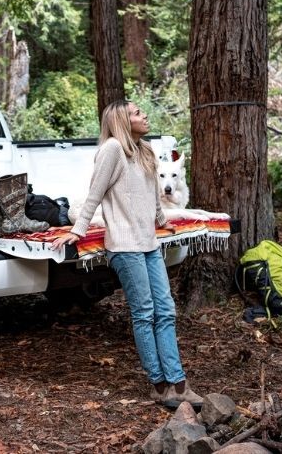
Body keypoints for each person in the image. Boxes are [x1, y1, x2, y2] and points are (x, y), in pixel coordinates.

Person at [50, 100, 202, 407]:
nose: (143, 115)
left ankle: (179, 384)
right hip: (124, 245)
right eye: (136, 113)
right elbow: (94, 193)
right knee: (145, 313)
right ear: (121, 120)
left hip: (148, 243)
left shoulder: (144, 150)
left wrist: (161, 221)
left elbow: (152, 196)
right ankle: (160, 385)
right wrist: (78, 229)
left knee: (166, 310)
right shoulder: (112, 150)